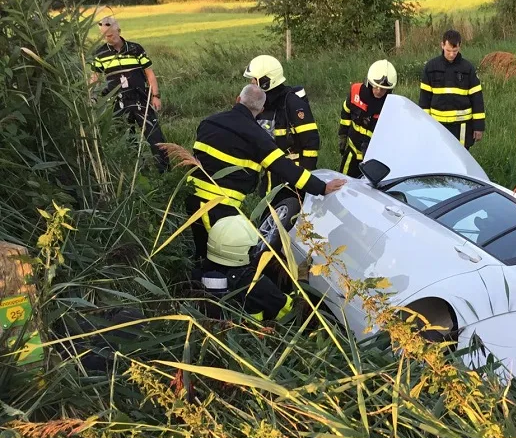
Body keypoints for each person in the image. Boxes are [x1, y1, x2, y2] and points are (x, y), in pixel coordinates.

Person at [184, 84, 345, 262]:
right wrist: (322, 187)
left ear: (238, 99)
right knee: (222, 255)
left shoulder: (209, 122)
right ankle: (209, 283)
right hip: (219, 205)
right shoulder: (258, 138)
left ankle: (198, 281)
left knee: (202, 248)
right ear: (261, 110)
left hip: (191, 195)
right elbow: (287, 168)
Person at [89, 16, 169, 173]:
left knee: (155, 136)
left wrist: (155, 96)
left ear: (118, 31)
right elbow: (95, 78)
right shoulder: (100, 54)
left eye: (110, 35)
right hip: (117, 102)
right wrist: (91, 96)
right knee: (127, 139)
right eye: (104, 36)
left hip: (141, 99)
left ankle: (165, 172)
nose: (108, 39)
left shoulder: (135, 49)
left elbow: (149, 74)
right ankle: (139, 172)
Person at [243, 55, 321, 204]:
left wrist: (305, 178)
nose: (251, 83)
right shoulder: (262, 103)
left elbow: (311, 142)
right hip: (272, 173)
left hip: (293, 174)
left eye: (254, 79)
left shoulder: (292, 103)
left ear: (266, 81)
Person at [199, 215, 296, 322]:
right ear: (246, 250)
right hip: (247, 333)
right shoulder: (255, 284)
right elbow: (292, 312)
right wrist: (301, 279)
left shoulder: (202, 269)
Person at [419, 29, 485, 150]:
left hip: (462, 127)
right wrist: (425, 124)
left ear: (460, 46)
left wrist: (478, 126)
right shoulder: (431, 67)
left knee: (461, 159)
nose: (451, 54)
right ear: (442, 45)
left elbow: (477, 99)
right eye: (448, 50)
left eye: (455, 51)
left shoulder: (467, 68)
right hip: (437, 125)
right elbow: (424, 99)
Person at [338, 59, 397, 178]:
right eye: (376, 87)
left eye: (383, 89)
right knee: (344, 182)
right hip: (352, 151)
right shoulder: (356, 92)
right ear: (369, 82)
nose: (379, 91)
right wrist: (342, 135)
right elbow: (346, 112)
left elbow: (389, 134)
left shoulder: (390, 105)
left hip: (373, 159)